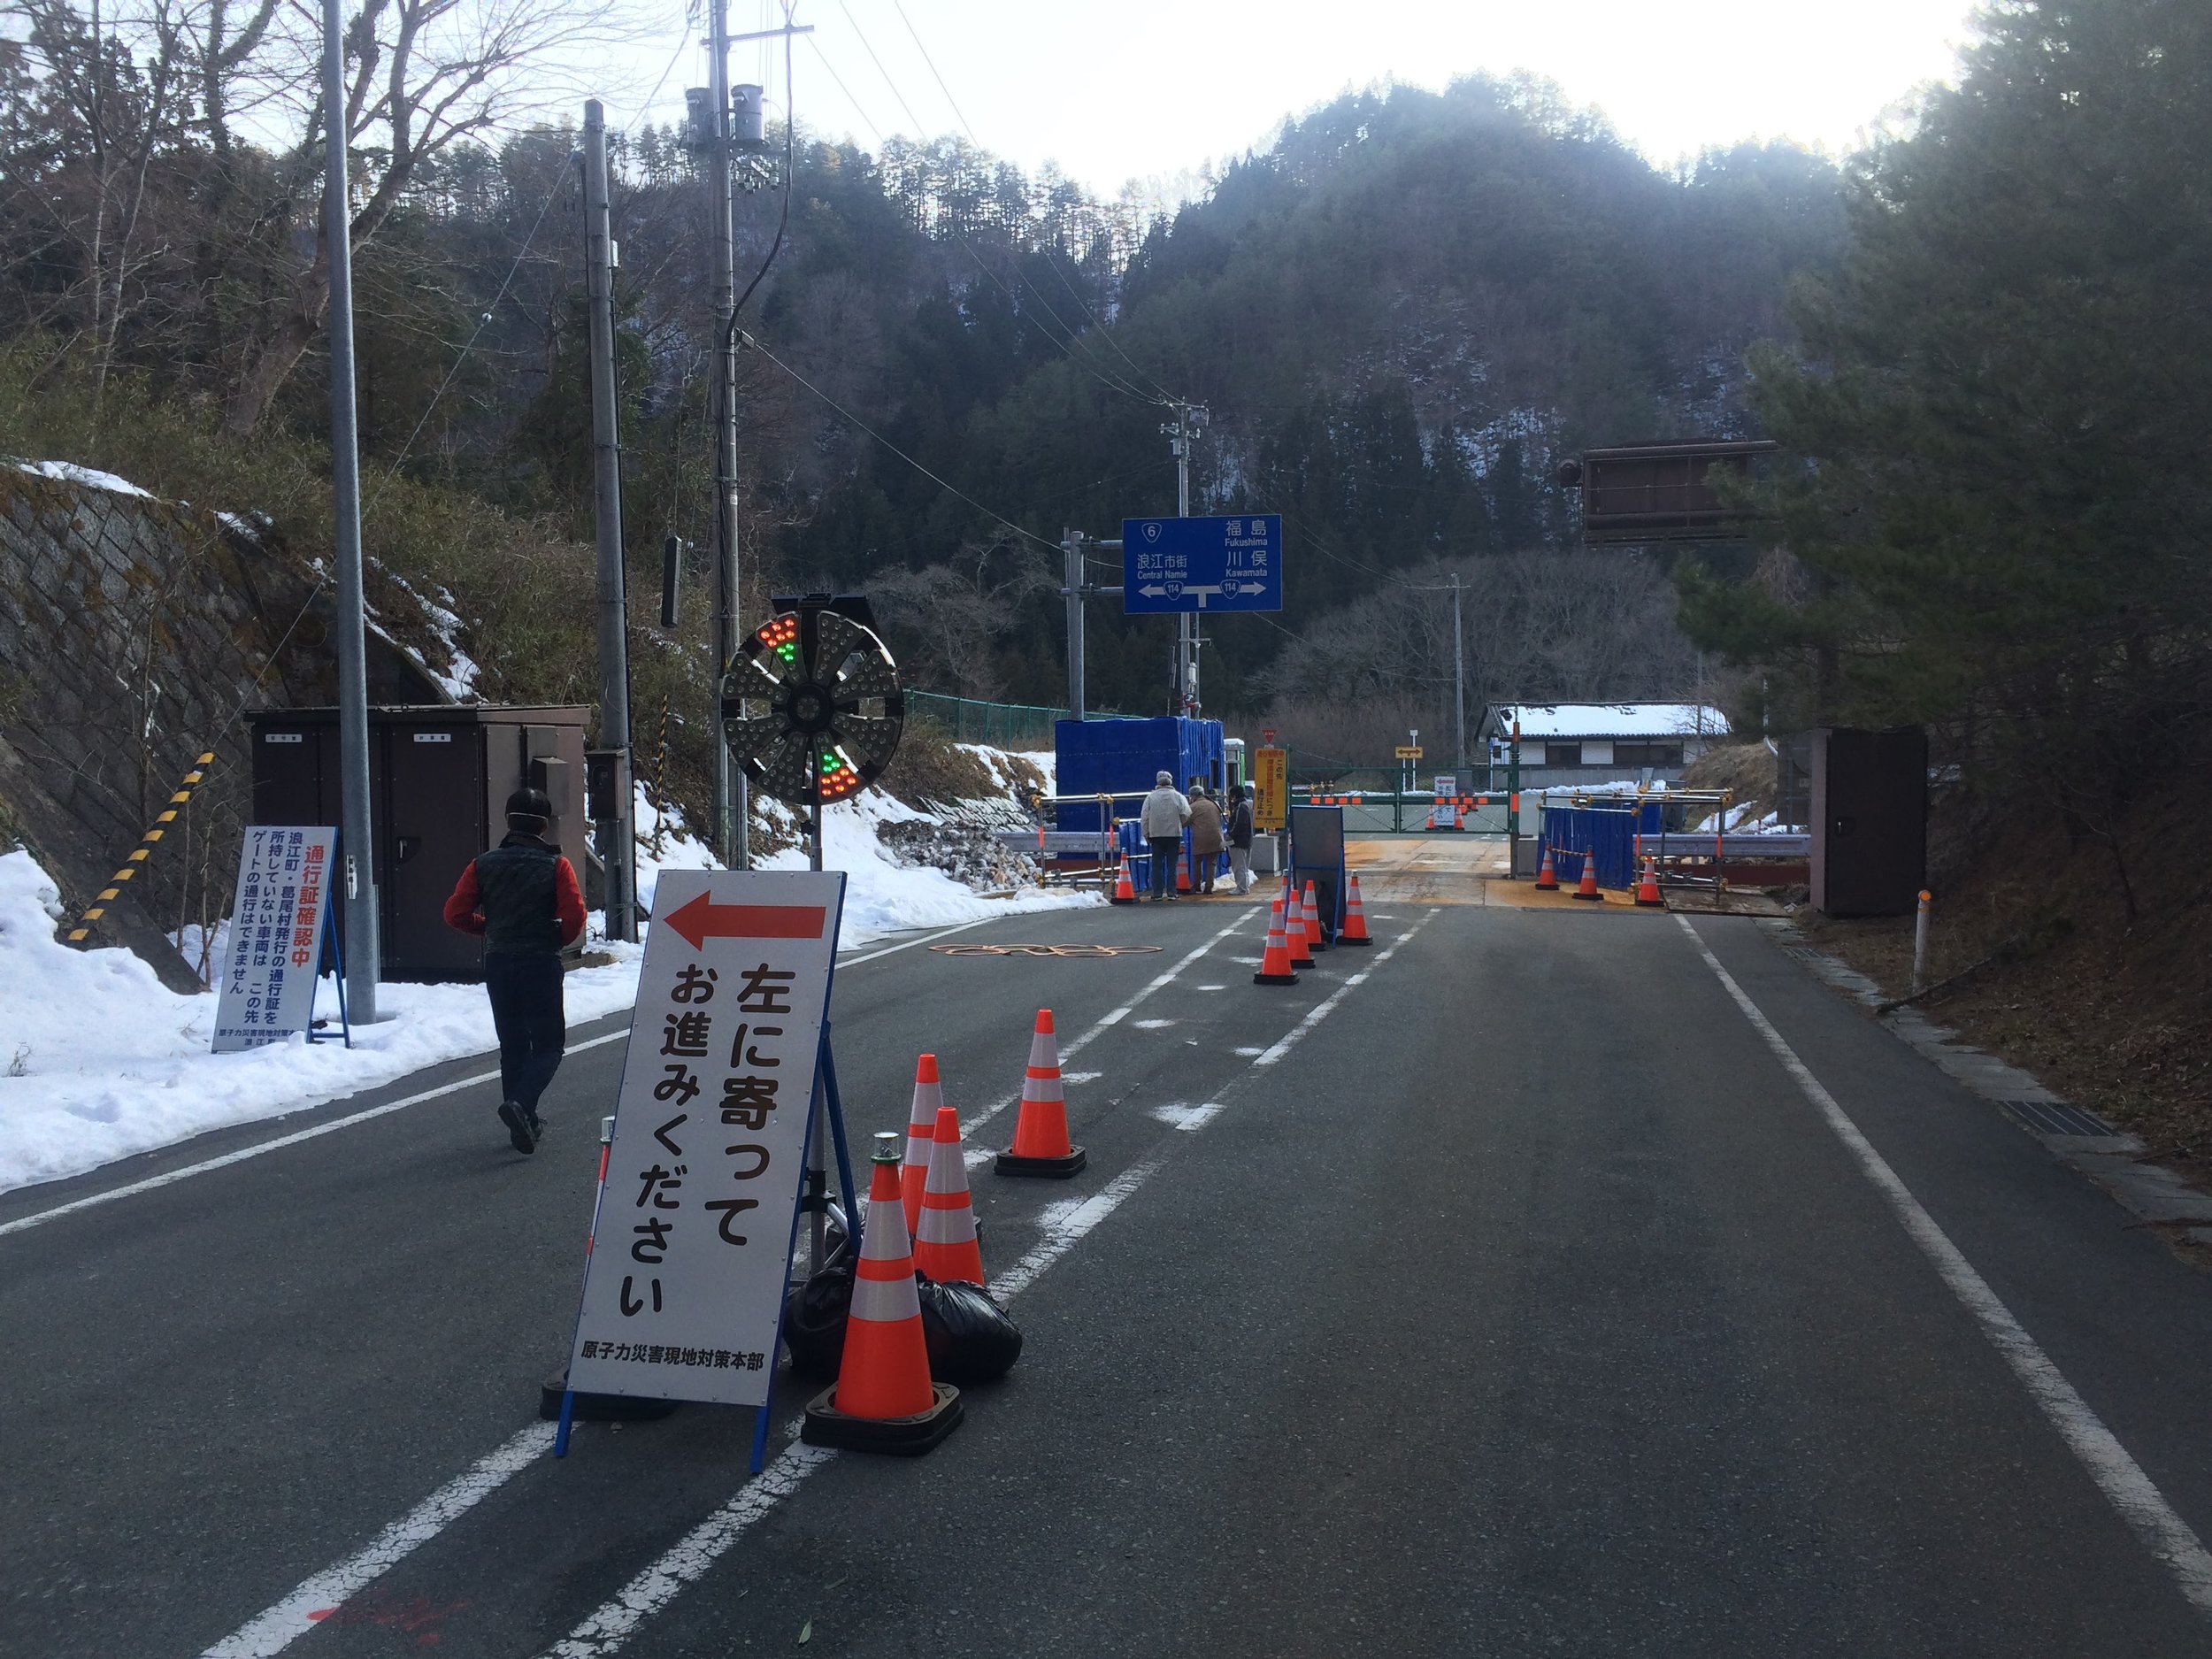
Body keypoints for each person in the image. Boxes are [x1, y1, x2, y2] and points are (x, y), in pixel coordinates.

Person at [442, 787, 587, 1154]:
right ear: (544, 826)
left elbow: (455, 914)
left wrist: (488, 929)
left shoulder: (483, 864)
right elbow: (574, 916)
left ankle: (521, 1125)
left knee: (513, 1043)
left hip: (500, 960)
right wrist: (557, 937)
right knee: (550, 1044)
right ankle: (522, 1106)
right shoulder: (557, 865)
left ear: (508, 821)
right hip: (541, 960)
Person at [1138, 770, 1191, 902]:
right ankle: (1172, 892)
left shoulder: (1150, 797)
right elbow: (1186, 814)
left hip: (1156, 835)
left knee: (1156, 864)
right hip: (1174, 835)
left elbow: (1144, 818)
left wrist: (1146, 833)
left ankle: (1157, 893)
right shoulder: (1178, 796)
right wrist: (1180, 825)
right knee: (1172, 864)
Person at [1188, 784, 1225, 895]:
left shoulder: (1193, 807)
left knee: (1197, 862)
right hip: (1217, 837)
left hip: (1200, 838)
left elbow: (1184, 822)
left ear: (1193, 796)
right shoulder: (1214, 804)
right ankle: (1209, 887)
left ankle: (1197, 885)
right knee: (1211, 863)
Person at [1227, 782, 1256, 895]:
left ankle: (1241, 888)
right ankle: (1244, 887)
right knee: (1244, 866)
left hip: (1239, 841)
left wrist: (1231, 834)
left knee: (1239, 866)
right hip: (1247, 840)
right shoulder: (1248, 804)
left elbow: (1239, 823)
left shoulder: (1240, 807)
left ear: (1234, 796)